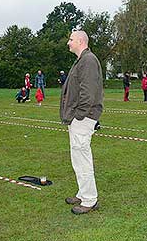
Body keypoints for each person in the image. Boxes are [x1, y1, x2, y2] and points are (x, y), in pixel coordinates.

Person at [60, 30, 103, 215]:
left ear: (79, 41)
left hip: (83, 118)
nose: (68, 42)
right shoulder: (82, 60)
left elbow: (89, 92)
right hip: (79, 117)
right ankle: (83, 193)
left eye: (70, 39)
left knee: (82, 158)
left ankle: (89, 200)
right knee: (78, 158)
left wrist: (79, 115)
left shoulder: (88, 60)